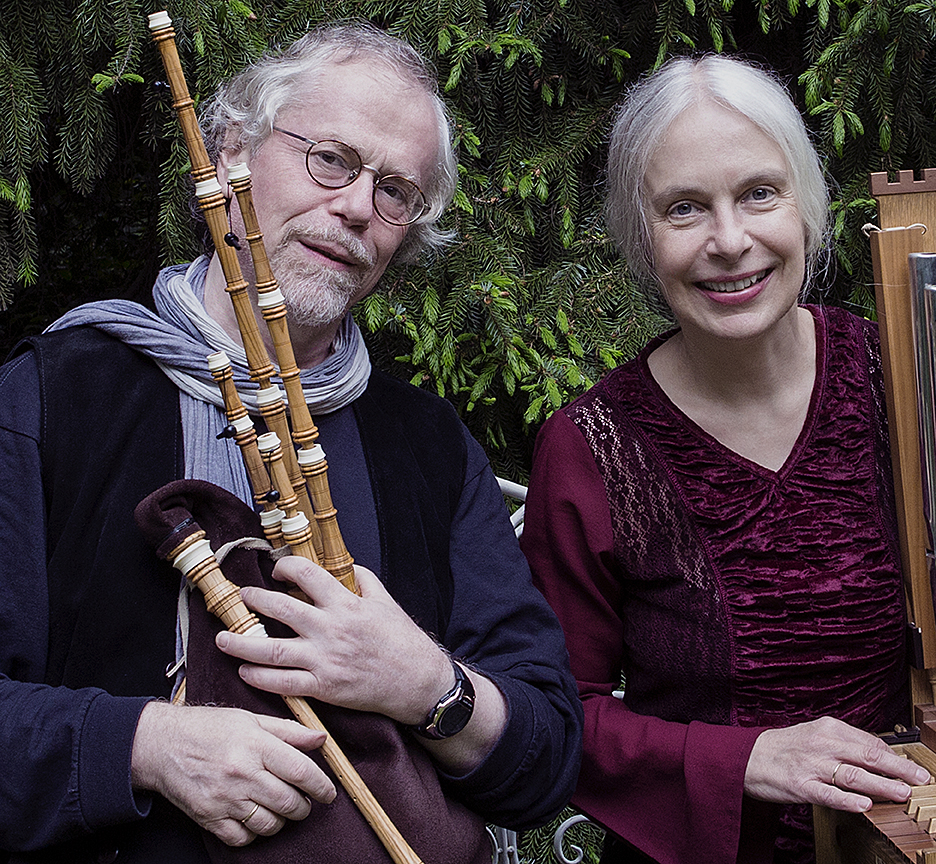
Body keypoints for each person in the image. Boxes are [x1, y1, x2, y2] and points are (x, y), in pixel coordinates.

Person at [0, 23, 581, 864]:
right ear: (234, 147)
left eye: (395, 192)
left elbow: (549, 755)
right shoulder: (53, 398)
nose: (355, 208)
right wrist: (147, 745)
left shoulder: (425, 447)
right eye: (332, 159)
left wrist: (425, 685)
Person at [519, 54, 936, 864]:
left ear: (807, 209)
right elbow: (558, 715)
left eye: (759, 194)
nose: (731, 241)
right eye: (685, 208)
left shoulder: (910, 371)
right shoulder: (591, 450)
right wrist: (745, 760)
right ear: (641, 237)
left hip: (916, 833)